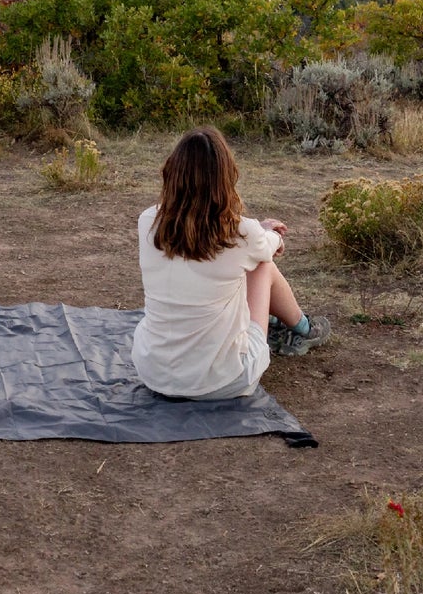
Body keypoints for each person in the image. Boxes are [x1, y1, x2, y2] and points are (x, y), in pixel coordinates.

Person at [131, 127, 331, 400]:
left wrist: (257, 234)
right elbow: (268, 246)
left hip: (154, 373)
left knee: (243, 265)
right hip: (222, 382)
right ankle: (303, 329)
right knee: (263, 265)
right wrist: (269, 233)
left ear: (172, 173)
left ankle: (289, 326)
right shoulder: (242, 233)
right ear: (224, 177)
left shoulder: (148, 222)